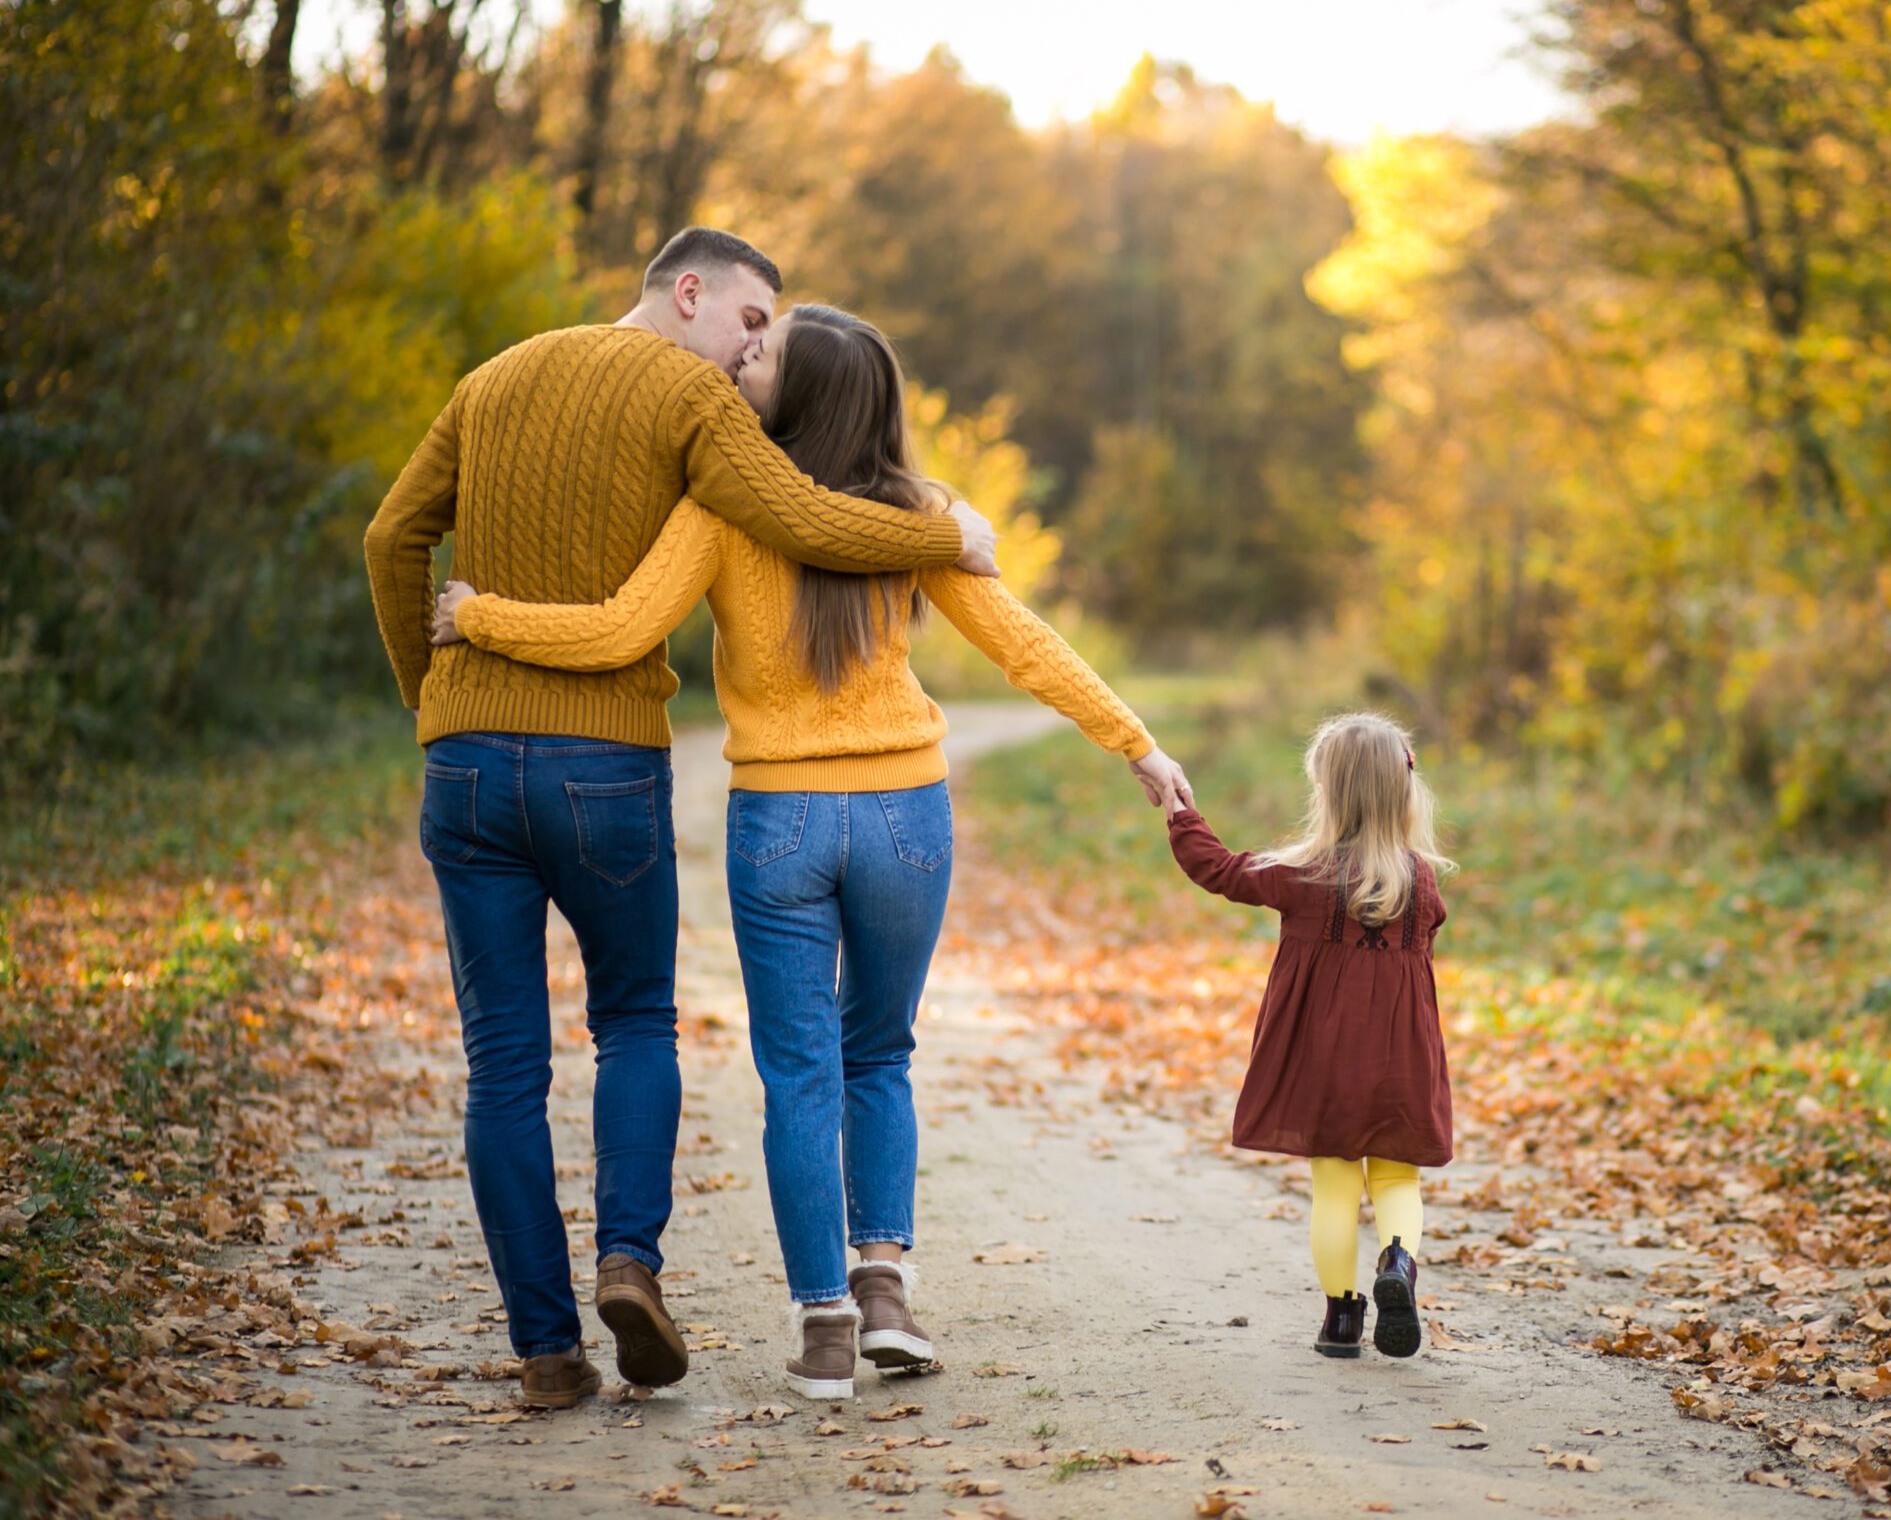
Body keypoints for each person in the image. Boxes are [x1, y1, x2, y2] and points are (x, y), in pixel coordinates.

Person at [430, 303, 1193, 1398]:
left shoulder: (723, 511)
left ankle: (825, 1328)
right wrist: (1137, 742)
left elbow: (616, 631)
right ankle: (885, 1289)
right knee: (878, 1053)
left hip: (780, 820)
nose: (744, 355)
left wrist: (479, 614)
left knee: (801, 1076)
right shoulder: (917, 516)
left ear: (804, 394)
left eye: (765, 351)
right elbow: (1022, 639)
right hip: (904, 817)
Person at [362, 230, 1003, 1411]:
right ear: (690, 291)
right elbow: (810, 520)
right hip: (603, 763)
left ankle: (547, 1351)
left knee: (501, 1064)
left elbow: (391, 535)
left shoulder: (489, 379)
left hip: (463, 762)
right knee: (635, 1022)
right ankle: (629, 1262)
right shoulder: (686, 395)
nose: (756, 348)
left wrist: (428, 698)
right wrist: (945, 534)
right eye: (752, 320)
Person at [1161, 713, 1455, 1359]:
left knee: (1335, 1187)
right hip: (1401, 1063)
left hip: (1326, 1062)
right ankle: (1399, 1265)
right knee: (1397, 1181)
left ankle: (1342, 1320)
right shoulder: (1423, 882)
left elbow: (1220, 870)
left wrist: (1182, 813)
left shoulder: (1305, 875)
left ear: (1327, 793)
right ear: (1404, 793)